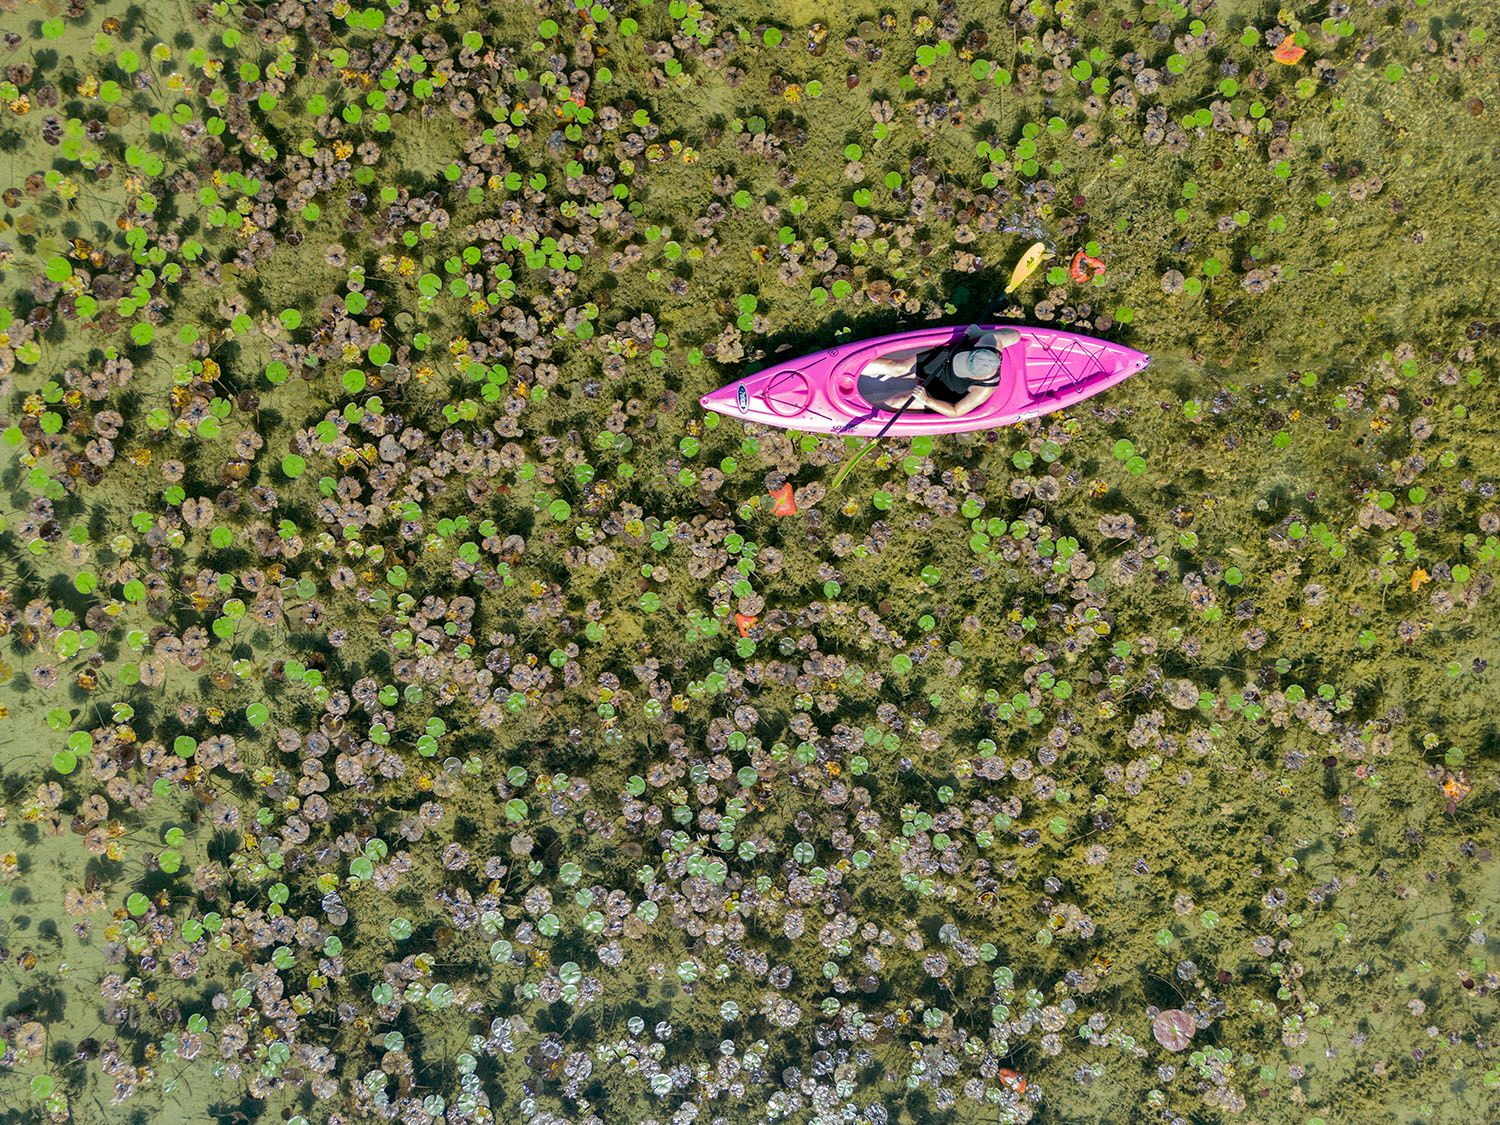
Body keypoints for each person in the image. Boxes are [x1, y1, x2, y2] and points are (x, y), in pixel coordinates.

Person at [856, 327, 1021, 418]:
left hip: (944, 391)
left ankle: (860, 411)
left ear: (977, 376)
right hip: (945, 361)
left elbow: (956, 411)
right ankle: (853, 368)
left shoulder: (983, 389)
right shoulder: (990, 342)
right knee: (896, 367)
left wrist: (927, 400)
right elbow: (1016, 335)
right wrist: (979, 333)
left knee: (896, 402)